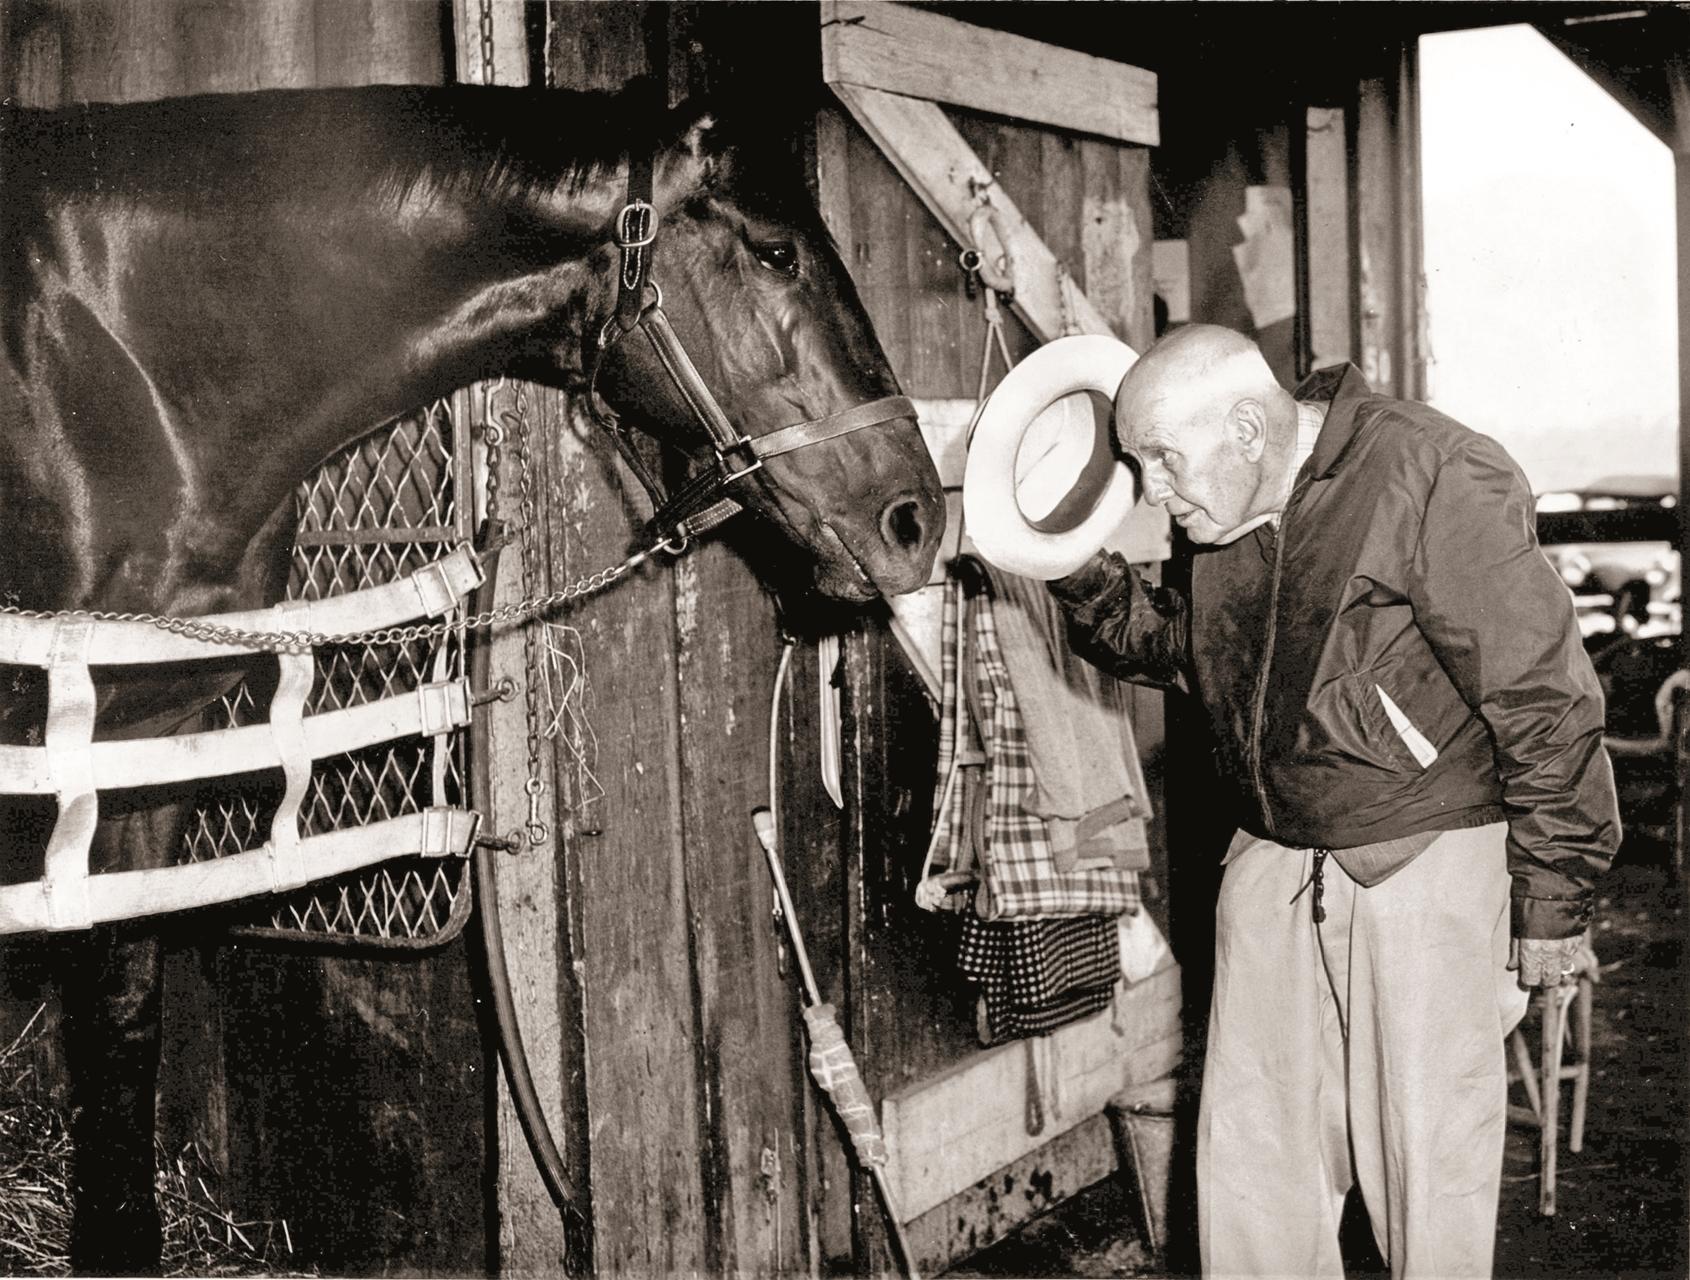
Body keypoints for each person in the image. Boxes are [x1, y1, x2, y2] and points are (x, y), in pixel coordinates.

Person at [1047, 324, 1619, 1279]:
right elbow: (1187, 650)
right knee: (1253, 1176)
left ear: (1245, 427)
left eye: (1161, 461)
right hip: (1274, 862)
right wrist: (1075, 568)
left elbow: (1548, 699)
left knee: (1425, 1176)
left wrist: (1554, 902)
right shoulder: (1226, 508)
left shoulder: (1430, 471)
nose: (1152, 492)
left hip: (1422, 865)